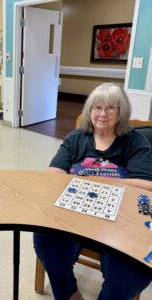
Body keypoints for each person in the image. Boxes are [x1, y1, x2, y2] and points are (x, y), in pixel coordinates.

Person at [34, 83, 152, 300]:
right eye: (97, 107)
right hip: (75, 214)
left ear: (121, 112)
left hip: (120, 221)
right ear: (89, 110)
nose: (103, 114)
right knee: (44, 240)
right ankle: (69, 293)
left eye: (110, 108)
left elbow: (147, 185)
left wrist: (93, 180)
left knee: (136, 271)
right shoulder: (76, 138)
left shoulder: (136, 141)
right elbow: (53, 176)